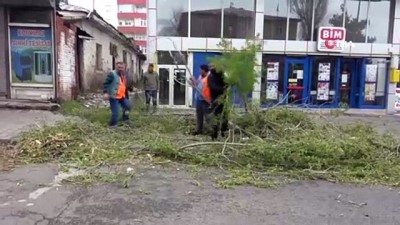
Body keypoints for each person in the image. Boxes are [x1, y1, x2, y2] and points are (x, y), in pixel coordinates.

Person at [102, 62, 132, 127]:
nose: (120, 69)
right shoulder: (112, 74)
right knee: (116, 112)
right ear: (116, 67)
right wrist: (105, 92)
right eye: (119, 67)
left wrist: (131, 89)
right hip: (114, 96)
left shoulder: (124, 75)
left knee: (128, 106)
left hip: (122, 96)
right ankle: (112, 125)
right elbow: (105, 83)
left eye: (122, 67)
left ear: (124, 68)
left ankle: (125, 118)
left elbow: (123, 85)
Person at [207, 64, 228, 140]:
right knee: (216, 117)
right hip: (216, 100)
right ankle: (214, 135)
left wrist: (227, 86)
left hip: (224, 99)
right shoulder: (211, 77)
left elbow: (226, 83)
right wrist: (223, 89)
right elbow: (213, 87)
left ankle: (223, 133)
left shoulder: (221, 75)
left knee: (224, 117)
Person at [192, 64, 211, 135]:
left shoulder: (209, 77)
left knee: (207, 116)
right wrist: (193, 81)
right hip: (199, 99)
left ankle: (210, 131)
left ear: (204, 70)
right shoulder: (201, 76)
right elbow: (197, 85)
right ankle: (199, 130)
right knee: (199, 115)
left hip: (206, 100)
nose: (200, 71)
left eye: (200, 70)